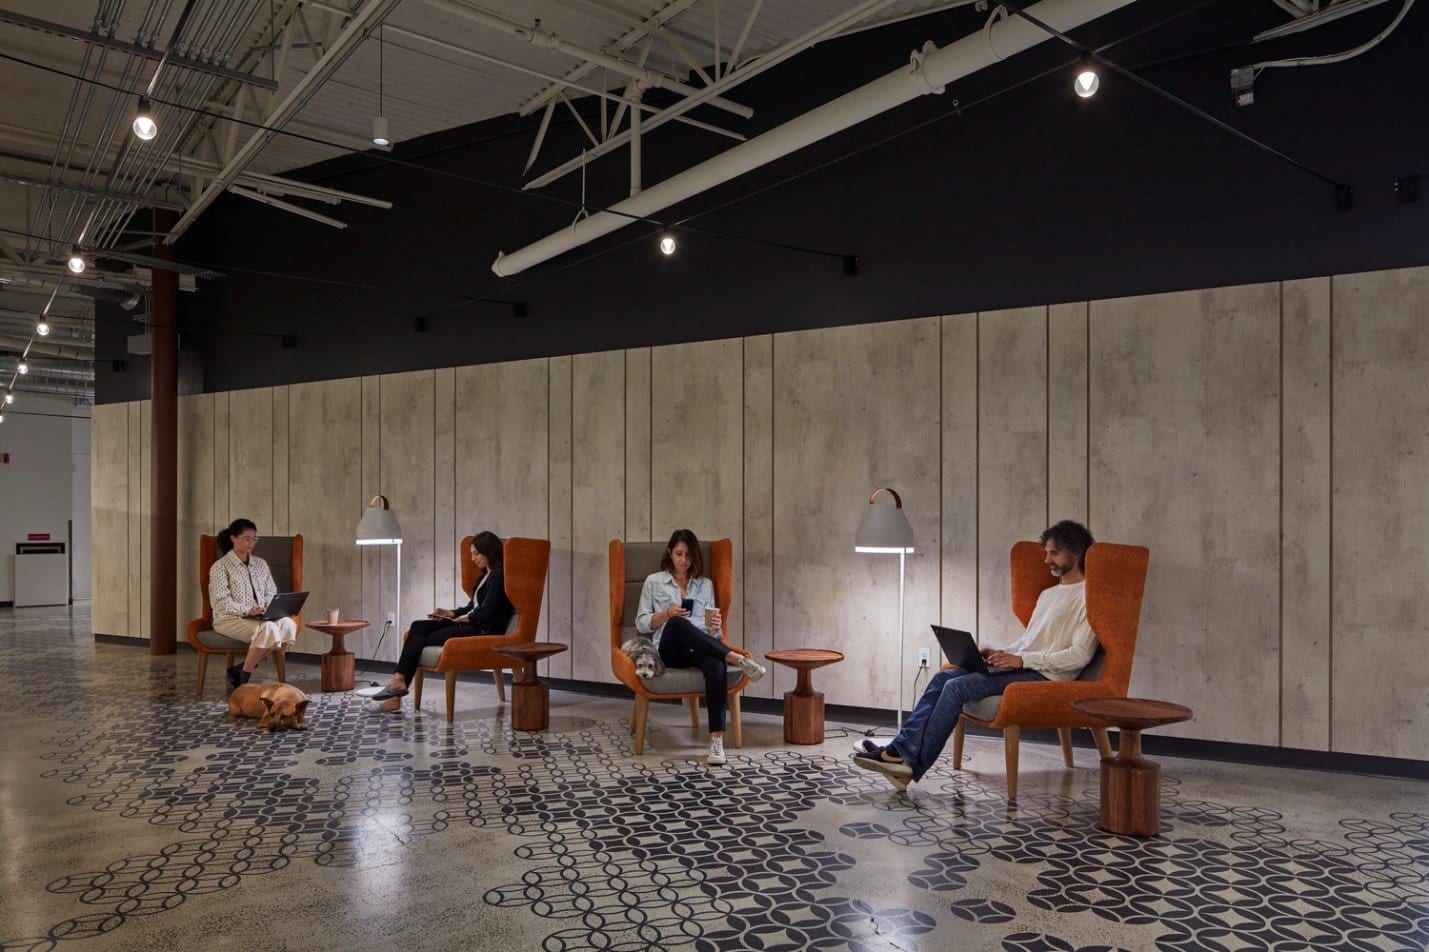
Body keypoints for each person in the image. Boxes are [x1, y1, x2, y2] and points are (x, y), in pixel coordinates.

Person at [852, 520, 1099, 791]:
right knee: (943, 676)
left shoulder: (1089, 597)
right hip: (1026, 665)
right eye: (1046, 552)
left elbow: (1079, 655)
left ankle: (907, 763)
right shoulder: (1048, 595)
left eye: (1054, 553)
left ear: (1075, 554)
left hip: (1048, 675)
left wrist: (1023, 661)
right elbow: (1031, 642)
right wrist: (1003, 653)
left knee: (958, 687)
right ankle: (900, 751)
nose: (1046, 559)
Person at [635, 529, 767, 765]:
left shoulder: (705, 585)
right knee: (677, 622)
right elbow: (641, 622)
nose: (683, 559)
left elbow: (712, 634)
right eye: (678, 553)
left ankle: (716, 740)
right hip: (670, 649)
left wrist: (715, 626)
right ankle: (736, 658)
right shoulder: (654, 581)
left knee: (716, 664)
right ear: (670, 553)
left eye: (688, 555)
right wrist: (666, 613)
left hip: (700, 647)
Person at [370, 530, 514, 713]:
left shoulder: (498, 578)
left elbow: (486, 613)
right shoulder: (483, 577)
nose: (472, 558)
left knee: (423, 638)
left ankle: (397, 687)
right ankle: (398, 682)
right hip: (471, 623)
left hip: (483, 630)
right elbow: (472, 606)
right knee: (417, 626)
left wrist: (464, 618)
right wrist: (450, 612)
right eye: (471, 553)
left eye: (476, 553)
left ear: (489, 552)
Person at [209, 518, 298, 691]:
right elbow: (220, 602)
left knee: (288, 624)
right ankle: (243, 681)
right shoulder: (220, 567)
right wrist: (248, 610)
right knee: (269, 629)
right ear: (233, 538)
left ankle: (240, 670)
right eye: (246, 539)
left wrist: (268, 608)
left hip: (260, 616)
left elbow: (271, 591)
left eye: (254, 539)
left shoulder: (261, 564)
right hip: (228, 618)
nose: (251, 543)